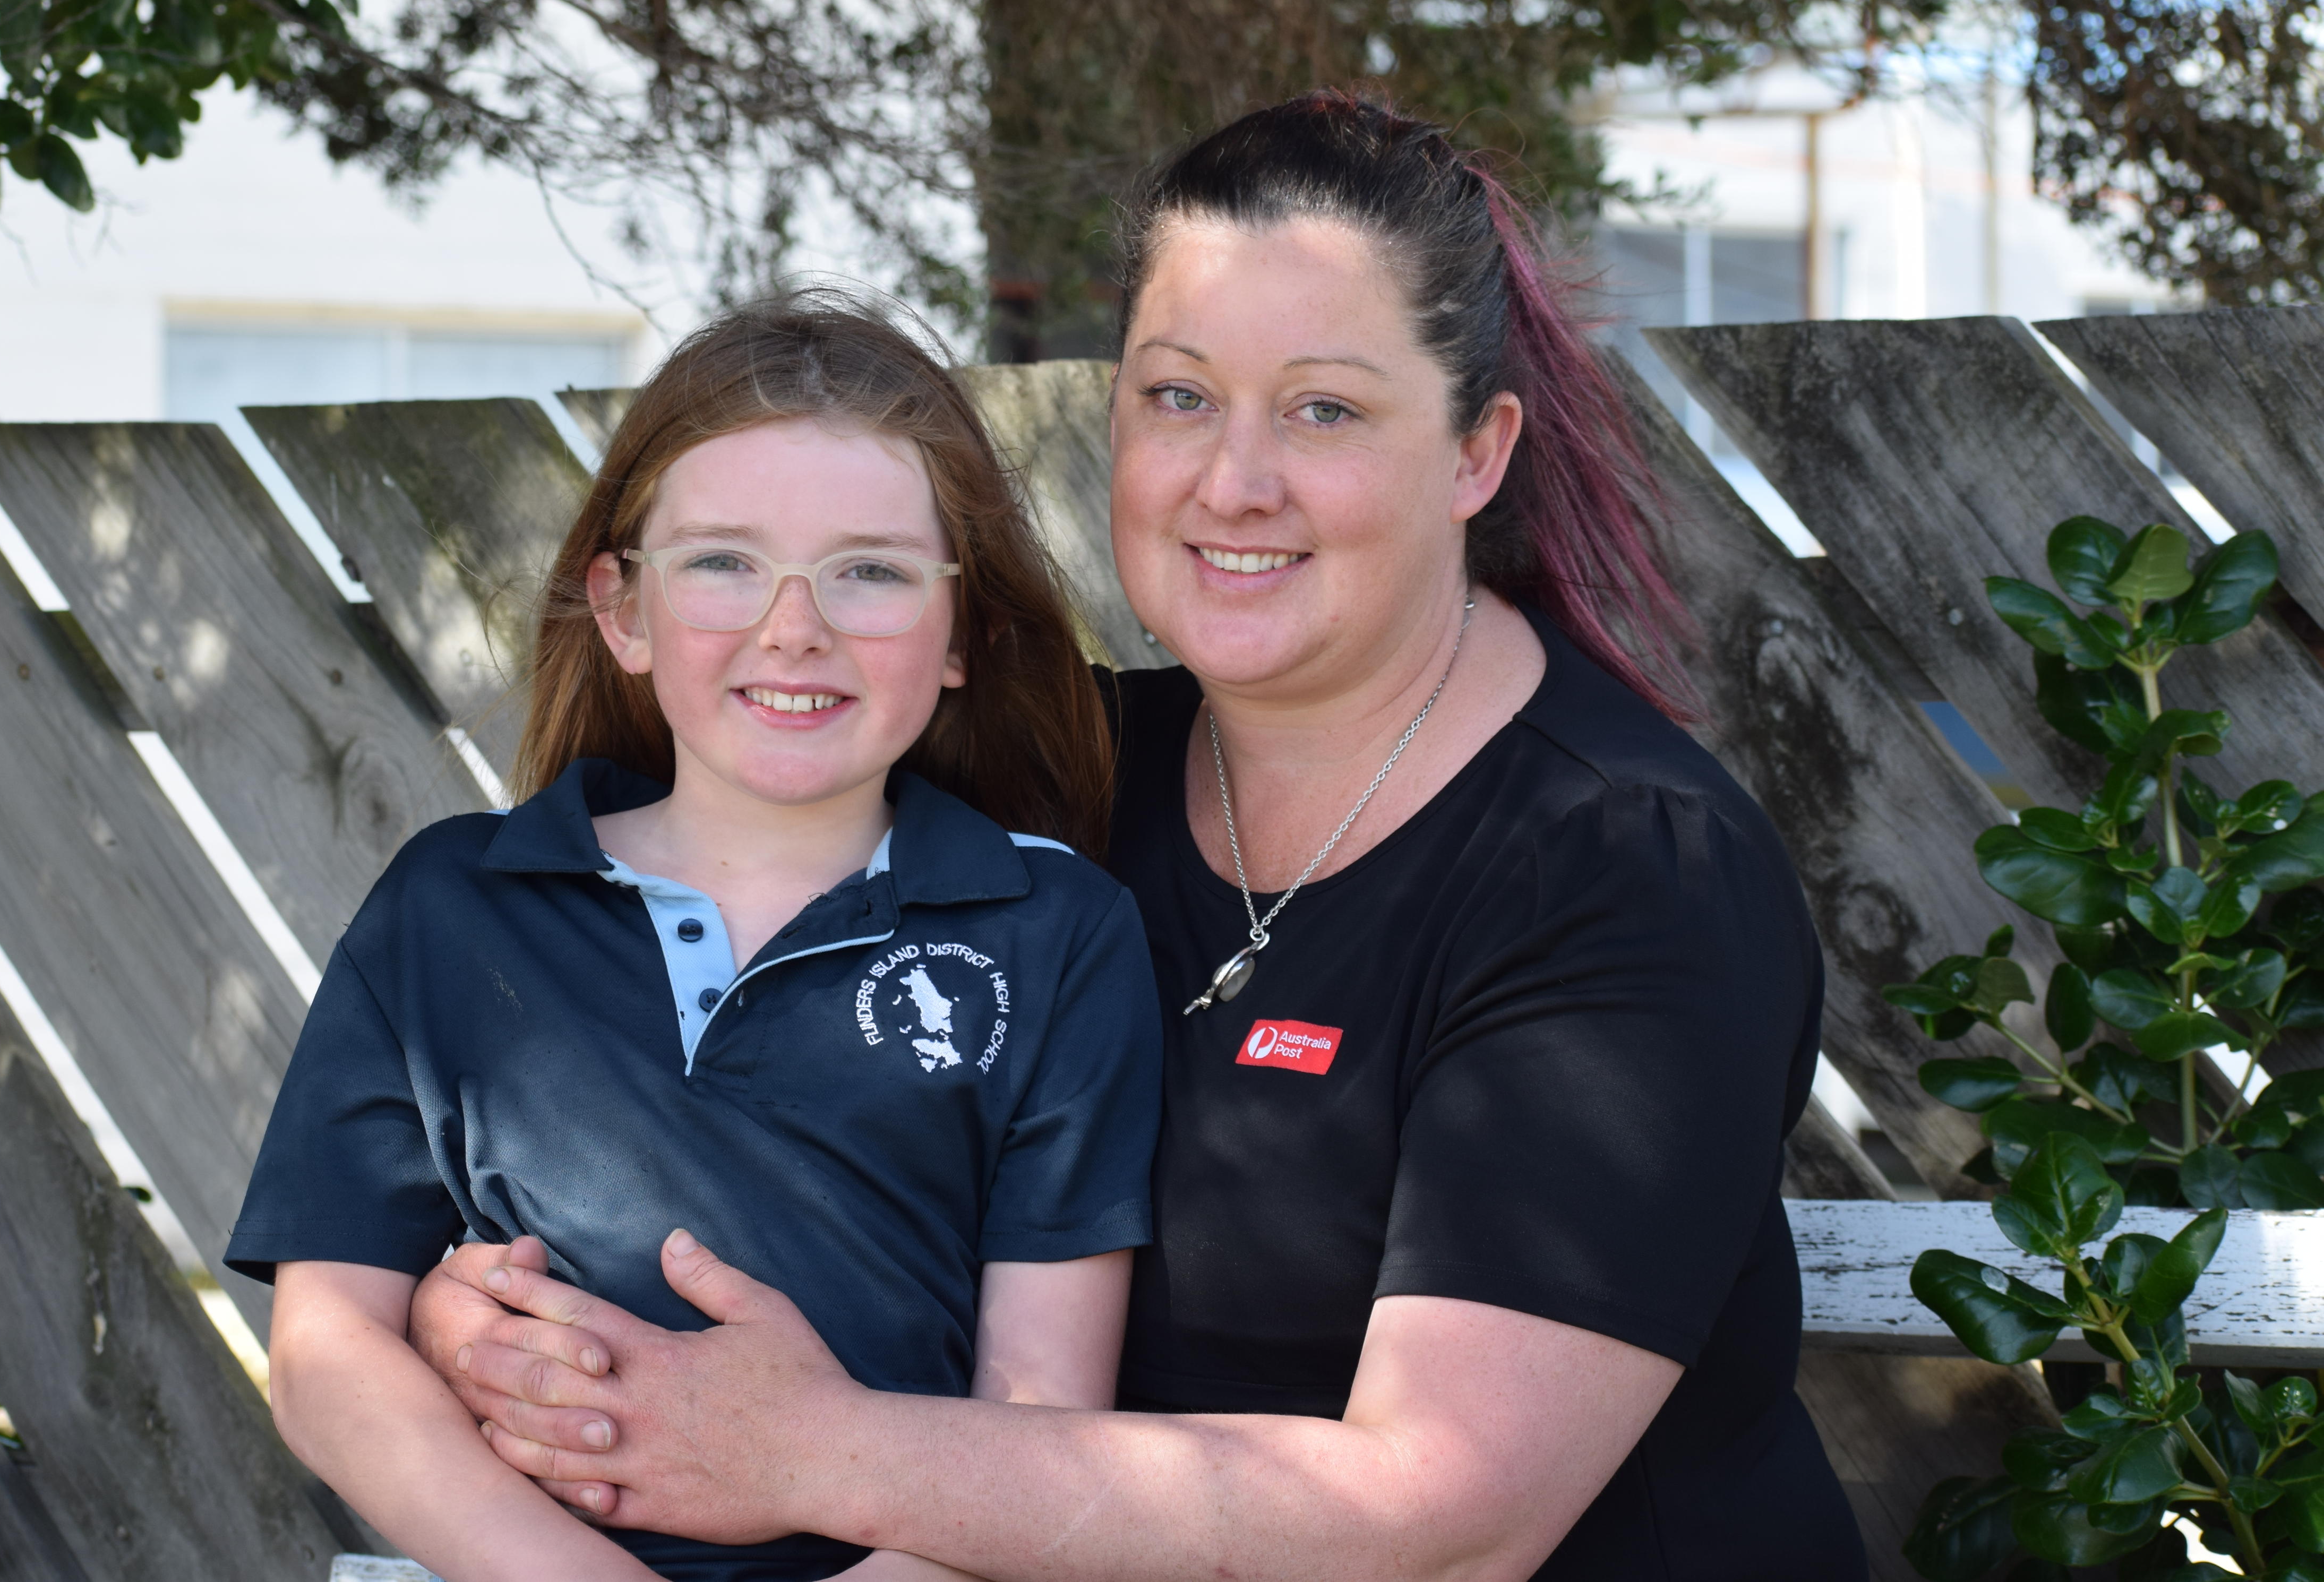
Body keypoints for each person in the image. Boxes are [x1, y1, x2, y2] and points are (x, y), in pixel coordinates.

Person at [409, 93, 1865, 1579]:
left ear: (1477, 452)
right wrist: (510, 1317)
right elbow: (702, 1101)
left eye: (1325, 409)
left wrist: (810, 1448)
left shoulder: (1624, 865)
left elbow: (1444, 1522)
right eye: (1179, 395)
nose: (1233, 480)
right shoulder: (1045, 775)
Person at [227, 294, 1165, 1582]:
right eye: (725, 559)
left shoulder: (1053, 932)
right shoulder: (451, 905)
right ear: (620, 610)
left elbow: (1043, 1415)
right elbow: (329, 1359)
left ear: (964, 634)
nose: (795, 625)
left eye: (872, 570)